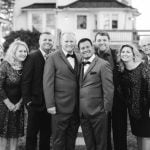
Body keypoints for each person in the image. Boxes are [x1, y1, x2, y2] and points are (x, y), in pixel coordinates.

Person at [43, 32, 81, 150]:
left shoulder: (79, 57)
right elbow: (47, 82)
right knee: (58, 139)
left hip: (77, 107)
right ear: (61, 43)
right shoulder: (52, 57)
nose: (69, 44)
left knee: (71, 138)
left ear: (75, 42)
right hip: (59, 106)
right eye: (66, 41)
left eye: (71, 41)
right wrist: (50, 104)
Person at [78, 38, 114, 150]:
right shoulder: (79, 65)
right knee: (89, 144)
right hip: (83, 113)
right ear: (79, 50)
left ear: (93, 47)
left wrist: (105, 110)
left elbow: (109, 89)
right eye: (82, 48)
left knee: (101, 144)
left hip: (98, 112)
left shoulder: (103, 64)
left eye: (87, 47)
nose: (85, 50)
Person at [21, 32, 53, 150]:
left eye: (50, 40)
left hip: (49, 104)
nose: (47, 42)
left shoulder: (52, 57)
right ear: (39, 41)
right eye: (45, 39)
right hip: (34, 103)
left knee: (46, 135)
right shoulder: (32, 57)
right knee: (31, 135)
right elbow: (26, 80)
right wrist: (27, 101)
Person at [94, 31, 124, 150]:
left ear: (109, 41)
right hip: (100, 100)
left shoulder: (117, 55)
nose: (102, 42)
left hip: (118, 100)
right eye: (99, 40)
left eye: (104, 40)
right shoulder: (92, 56)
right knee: (103, 132)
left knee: (120, 131)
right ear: (95, 42)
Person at [118, 44, 150, 150]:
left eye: (128, 52)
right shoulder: (122, 70)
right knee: (138, 135)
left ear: (133, 54)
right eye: (123, 52)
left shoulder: (143, 67)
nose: (125, 54)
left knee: (146, 136)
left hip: (146, 108)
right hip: (132, 110)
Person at [0, 39, 29, 150]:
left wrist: (19, 103)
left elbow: (26, 88)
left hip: (18, 106)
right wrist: (9, 104)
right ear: (14, 52)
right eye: (20, 51)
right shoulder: (5, 65)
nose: (23, 54)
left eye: (25, 51)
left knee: (14, 135)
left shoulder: (26, 66)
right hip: (3, 105)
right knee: (3, 136)